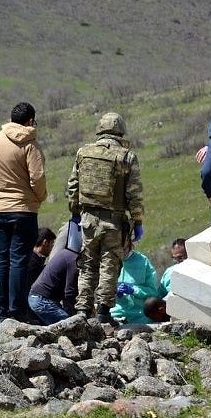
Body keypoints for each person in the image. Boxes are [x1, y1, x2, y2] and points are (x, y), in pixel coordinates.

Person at [67, 112, 144, 324]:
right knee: (109, 264)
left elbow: (73, 185)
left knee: (88, 263)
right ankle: (102, 311)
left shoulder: (84, 152)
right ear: (121, 131)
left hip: (88, 219)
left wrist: (75, 212)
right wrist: (137, 221)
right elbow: (134, 194)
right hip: (114, 220)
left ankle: (82, 309)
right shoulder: (127, 156)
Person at [0, 102, 47, 322]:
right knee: (19, 261)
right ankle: (17, 311)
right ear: (30, 121)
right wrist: (38, 197)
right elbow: (37, 178)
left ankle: (3, 311)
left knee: (1, 259)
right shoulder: (30, 145)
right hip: (23, 210)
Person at [109, 235, 158, 324]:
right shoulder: (109, 261)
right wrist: (113, 292)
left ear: (129, 245)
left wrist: (134, 290)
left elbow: (153, 292)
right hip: (115, 313)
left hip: (139, 316)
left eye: (123, 249)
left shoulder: (142, 261)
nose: (121, 253)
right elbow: (99, 290)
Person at [27, 248, 79, 326]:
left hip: (38, 297)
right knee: (71, 326)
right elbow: (70, 292)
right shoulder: (73, 259)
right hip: (43, 300)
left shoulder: (66, 253)